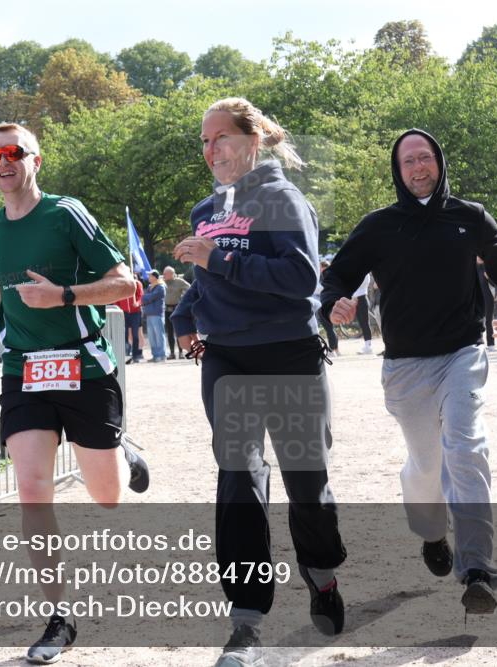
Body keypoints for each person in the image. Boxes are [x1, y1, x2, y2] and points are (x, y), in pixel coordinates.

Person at [0, 121, 149, 664]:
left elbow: (126, 282)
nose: (2, 162)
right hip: (24, 374)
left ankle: (121, 451)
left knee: (105, 496)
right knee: (33, 490)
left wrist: (62, 295)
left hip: (83, 367)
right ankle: (60, 617)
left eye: (13, 152)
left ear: (36, 159)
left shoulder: (66, 213)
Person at [321, 127, 497, 616]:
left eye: (425, 157)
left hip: (462, 353)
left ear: (439, 161)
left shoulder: (469, 216)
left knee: (466, 447)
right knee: (425, 466)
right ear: (398, 170)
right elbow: (337, 276)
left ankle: (477, 568)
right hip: (406, 367)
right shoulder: (378, 225)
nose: (418, 167)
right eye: (408, 161)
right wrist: (333, 303)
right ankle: (432, 533)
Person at [171, 97, 347, 666]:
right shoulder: (205, 210)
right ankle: (246, 623)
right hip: (228, 361)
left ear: (252, 139)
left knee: (305, 484)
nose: (210, 150)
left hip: (290, 355)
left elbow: (300, 280)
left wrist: (218, 259)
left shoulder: (281, 198)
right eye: (204, 141)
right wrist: (182, 317)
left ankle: (321, 575)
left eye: (220, 137)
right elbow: (205, 282)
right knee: (238, 480)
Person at [162, 267, 191, 359]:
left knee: (178, 332)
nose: (163, 275)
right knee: (169, 332)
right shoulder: (162, 282)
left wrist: (183, 299)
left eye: (165, 273)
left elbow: (189, 288)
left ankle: (181, 352)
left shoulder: (179, 282)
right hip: (166, 310)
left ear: (171, 274)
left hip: (176, 309)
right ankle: (172, 353)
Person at [116, 276, 144, 363]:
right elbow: (117, 298)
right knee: (124, 335)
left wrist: (138, 303)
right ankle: (126, 355)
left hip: (135, 312)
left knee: (135, 335)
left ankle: (136, 355)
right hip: (123, 312)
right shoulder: (121, 284)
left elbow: (140, 296)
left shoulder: (136, 283)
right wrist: (118, 308)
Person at [141, 270, 167, 362]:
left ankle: (161, 355)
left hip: (157, 314)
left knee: (159, 335)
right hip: (149, 314)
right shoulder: (149, 287)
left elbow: (149, 297)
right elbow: (148, 297)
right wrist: (146, 297)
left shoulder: (161, 287)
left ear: (155, 277)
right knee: (151, 336)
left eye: (150, 276)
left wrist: (144, 297)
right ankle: (155, 355)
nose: (148, 277)